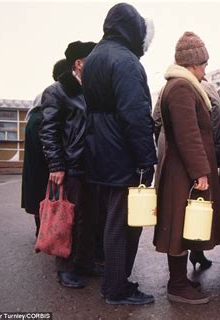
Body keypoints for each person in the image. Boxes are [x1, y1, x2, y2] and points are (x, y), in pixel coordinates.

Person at [81, 3, 157, 306]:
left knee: (111, 219)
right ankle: (116, 288)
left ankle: (114, 282)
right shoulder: (126, 61)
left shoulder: (96, 57)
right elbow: (135, 115)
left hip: (99, 149)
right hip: (122, 152)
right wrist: (146, 158)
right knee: (124, 224)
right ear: (131, 28)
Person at [153, 32, 220, 304]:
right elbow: (188, 134)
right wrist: (200, 172)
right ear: (193, 63)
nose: (206, 70)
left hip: (182, 169)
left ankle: (181, 282)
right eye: (204, 64)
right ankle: (177, 286)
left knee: (184, 226)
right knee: (180, 227)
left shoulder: (180, 84)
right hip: (183, 172)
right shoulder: (182, 87)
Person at [39, 41, 97, 289]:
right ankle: (64, 267)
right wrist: (56, 165)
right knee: (66, 217)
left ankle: (83, 262)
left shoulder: (93, 89)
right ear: (79, 63)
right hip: (70, 165)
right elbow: (48, 131)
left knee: (88, 217)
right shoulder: (57, 91)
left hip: (92, 164)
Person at [21, 59, 69, 237]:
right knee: (45, 188)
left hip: (35, 131)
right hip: (43, 136)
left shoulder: (43, 93)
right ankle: (46, 232)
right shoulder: (57, 92)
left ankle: (42, 229)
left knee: (38, 187)